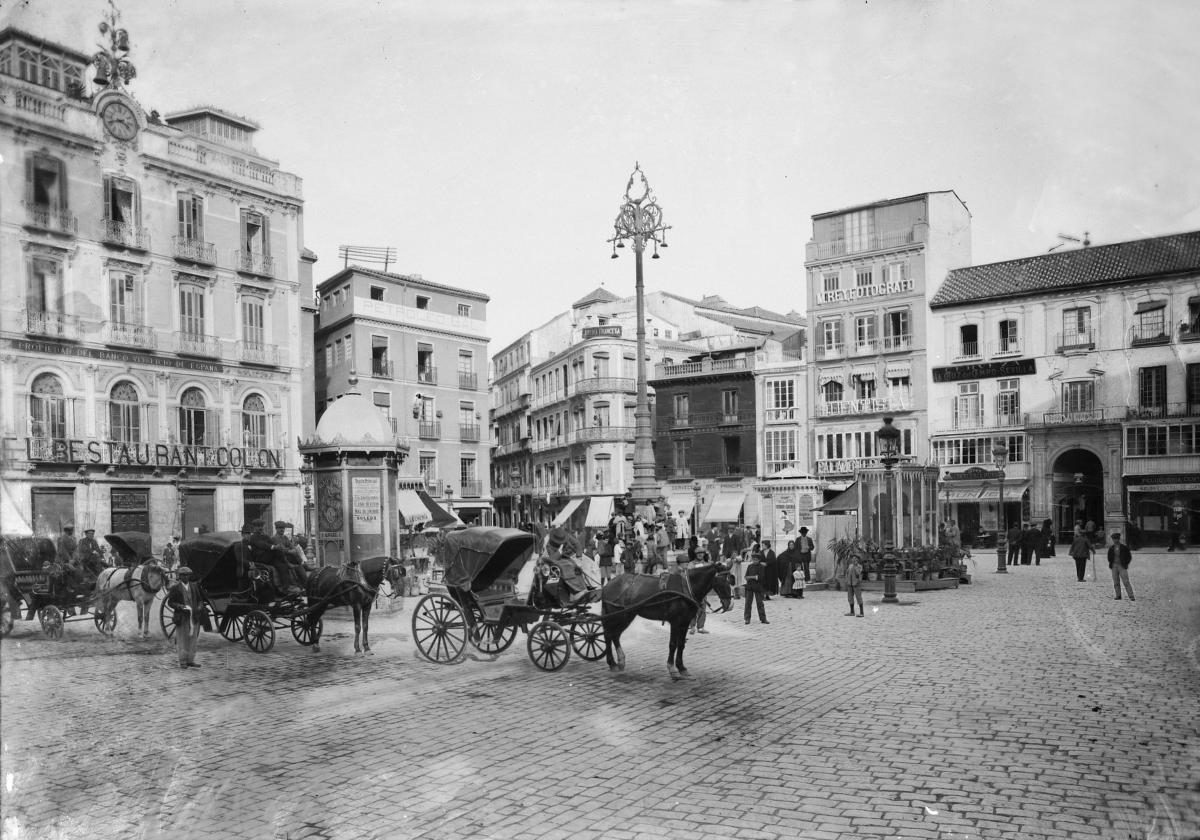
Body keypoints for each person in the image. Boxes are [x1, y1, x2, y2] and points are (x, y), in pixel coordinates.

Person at [165, 566, 211, 668]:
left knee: (193, 638)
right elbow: (170, 602)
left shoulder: (194, 586)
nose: (185, 577)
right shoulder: (175, 588)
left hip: (194, 617)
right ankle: (183, 661)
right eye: (183, 575)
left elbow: (200, 600)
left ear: (190, 576)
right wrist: (180, 606)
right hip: (182, 617)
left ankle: (191, 660)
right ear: (180, 577)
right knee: (182, 639)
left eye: (187, 575)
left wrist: (199, 607)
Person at [742, 546, 768, 625]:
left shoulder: (761, 567)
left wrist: (752, 577)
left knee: (760, 603)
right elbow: (746, 576)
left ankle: (763, 618)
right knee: (748, 603)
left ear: (759, 560)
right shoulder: (750, 566)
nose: (755, 561)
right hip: (749, 587)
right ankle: (747, 618)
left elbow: (761, 577)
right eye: (753, 560)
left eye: (756, 560)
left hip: (758, 587)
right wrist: (752, 577)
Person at [1107, 532, 1135, 601]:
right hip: (1114, 566)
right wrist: (1111, 563)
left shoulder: (1124, 547)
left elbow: (1129, 556)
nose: (1115, 540)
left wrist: (1126, 563)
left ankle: (1131, 596)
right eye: (1114, 539)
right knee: (1116, 581)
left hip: (1122, 566)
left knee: (1126, 581)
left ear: (1118, 539)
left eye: (1116, 539)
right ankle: (1118, 595)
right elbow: (1109, 557)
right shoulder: (1111, 548)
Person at [844, 553, 864, 618]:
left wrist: (855, 567)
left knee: (858, 597)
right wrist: (847, 580)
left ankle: (861, 612)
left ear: (858, 560)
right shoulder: (850, 566)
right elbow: (847, 573)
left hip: (856, 584)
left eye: (855, 558)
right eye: (853, 558)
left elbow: (858, 574)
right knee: (850, 597)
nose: (854, 559)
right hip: (850, 584)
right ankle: (852, 612)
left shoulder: (859, 566)